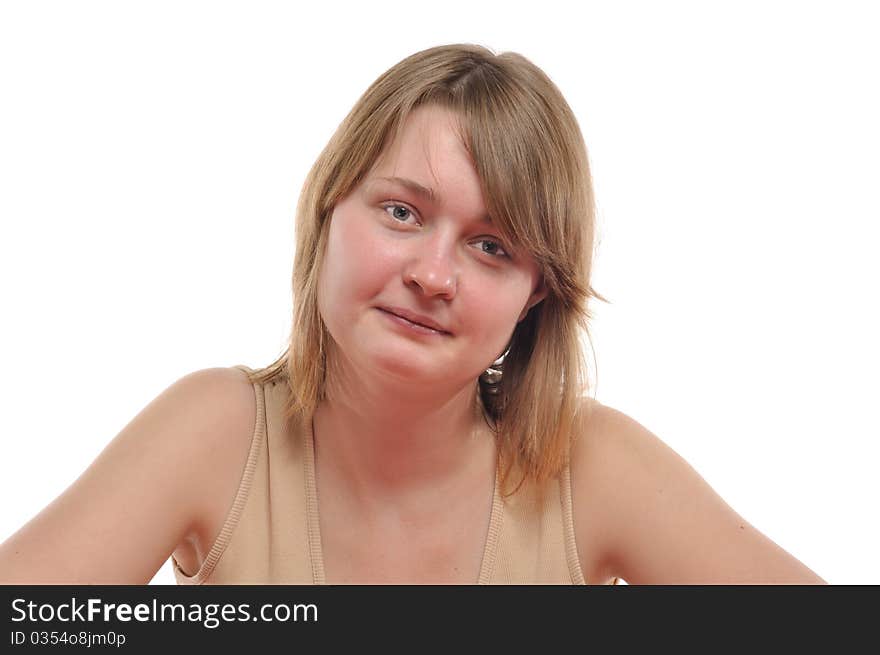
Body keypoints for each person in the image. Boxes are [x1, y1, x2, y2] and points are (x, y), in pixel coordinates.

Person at [0, 43, 826, 585]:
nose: (434, 275)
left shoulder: (589, 465)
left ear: (537, 292)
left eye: (492, 246)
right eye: (401, 212)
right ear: (330, 209)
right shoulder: (217, 432)